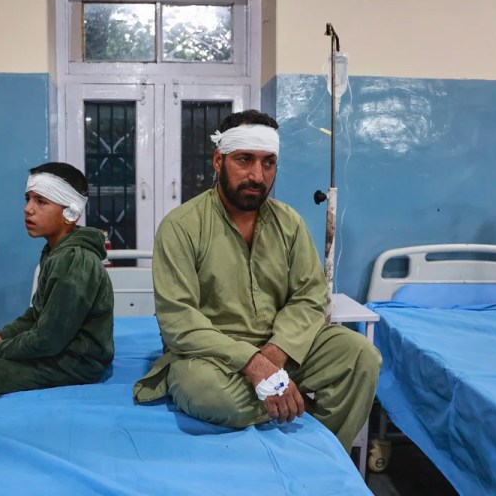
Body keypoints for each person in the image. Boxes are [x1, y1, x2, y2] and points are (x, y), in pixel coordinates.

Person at [133, 110, 380, 451]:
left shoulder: (289, 223)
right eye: (244, 160)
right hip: (212, 357)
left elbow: (310, 296)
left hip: (281, 345)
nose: (257, 175)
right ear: (219, 161)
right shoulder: (181, 227)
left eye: (268, 163)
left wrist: (275, 355)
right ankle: (300, 410)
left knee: (361, 357)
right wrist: (252, 362)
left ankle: (321, 455)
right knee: (210, 395)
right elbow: (179, 320)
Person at [0, 162, 114, 420]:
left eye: (41, 201)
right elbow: (38, 314)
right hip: (60, 351)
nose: (27, 209)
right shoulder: (56, 251)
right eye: (28, 199)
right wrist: (0, 339)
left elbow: (47, 340)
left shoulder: (73, 262)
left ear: (71, 212)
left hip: (76, 363)